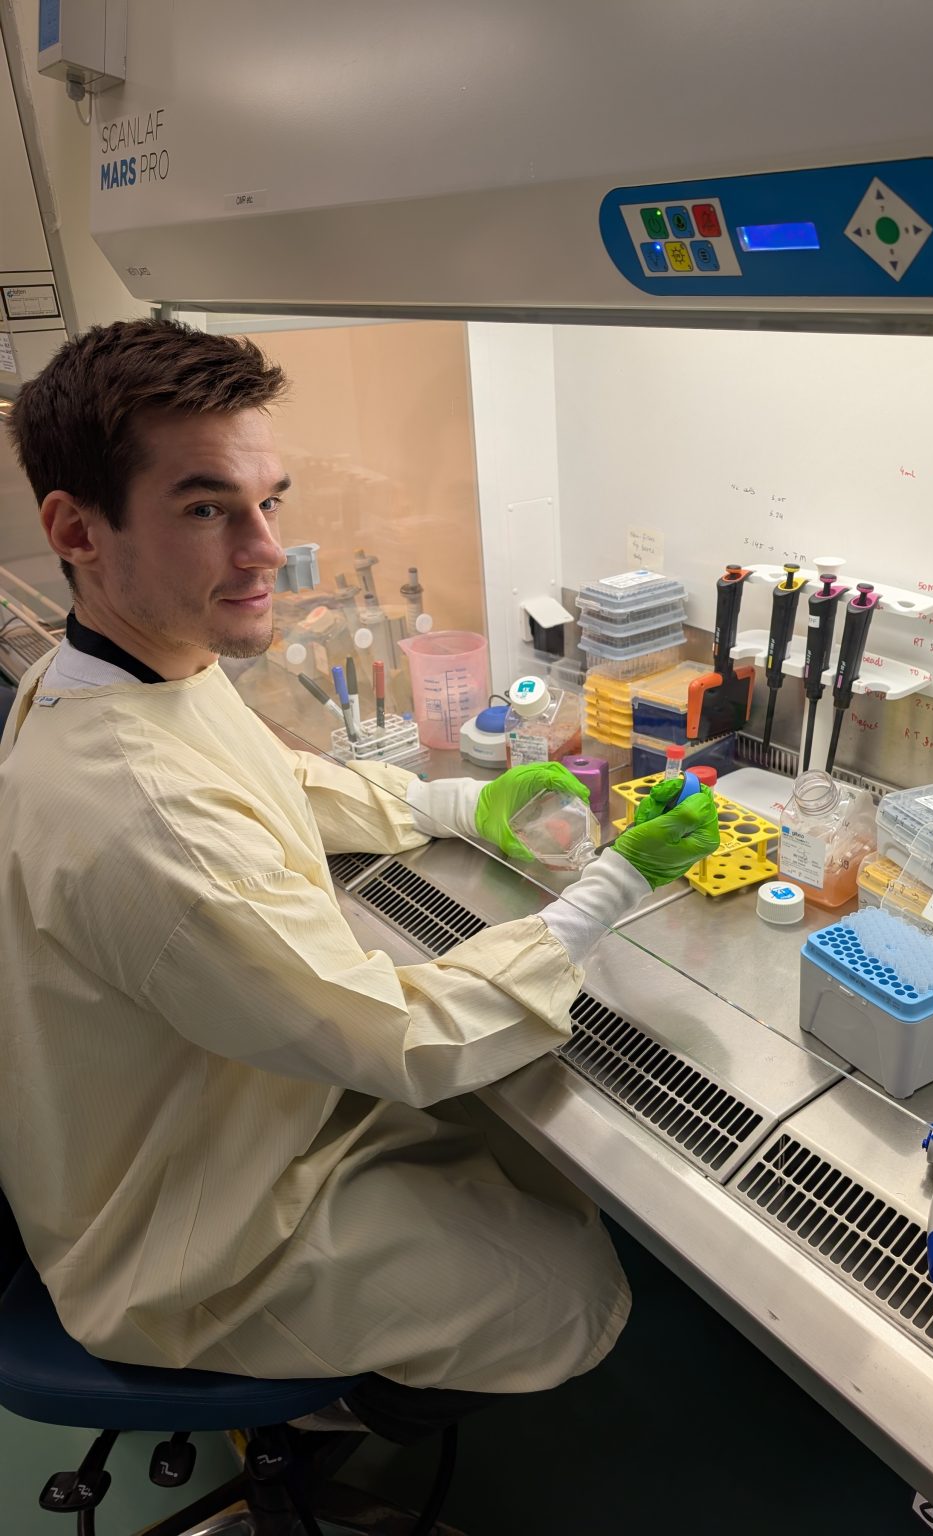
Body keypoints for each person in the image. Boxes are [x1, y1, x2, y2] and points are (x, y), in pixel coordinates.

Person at [0, 319, 719, 1439]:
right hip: (181, 1235)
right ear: (75, 529)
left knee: (507, 1153)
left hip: (198, 1120)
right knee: (570, 1291)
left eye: (269, 501)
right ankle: (331, 1416)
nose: (265, 552)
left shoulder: (113, 667)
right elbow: (398, 1039)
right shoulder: (141, 816)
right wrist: (613, 886)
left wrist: (455, 805)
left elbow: (262, 780)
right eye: (206, 509)